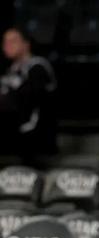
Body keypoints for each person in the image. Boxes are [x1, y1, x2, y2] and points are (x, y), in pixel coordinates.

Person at [0, 27, 57, 155]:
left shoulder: (38, 67)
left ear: (26, 44)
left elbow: (25, 102)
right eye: (5, 42)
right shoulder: (11, 70)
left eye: (13, 41)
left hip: (34, 136)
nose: (7, 46)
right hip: (12, 133)